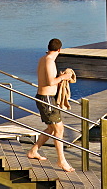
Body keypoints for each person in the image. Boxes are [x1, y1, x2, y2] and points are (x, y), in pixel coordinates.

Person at [27, 38, 76, 172]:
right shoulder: (49, 61)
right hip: (46, 99)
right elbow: (50, 81)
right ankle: (61, 161)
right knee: (59, 130)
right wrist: (63, 77)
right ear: (59, 50)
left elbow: (47, 79)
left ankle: (33, 151)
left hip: (46, 98)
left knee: (51, 129)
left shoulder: (43, 59)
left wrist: (59, 80)